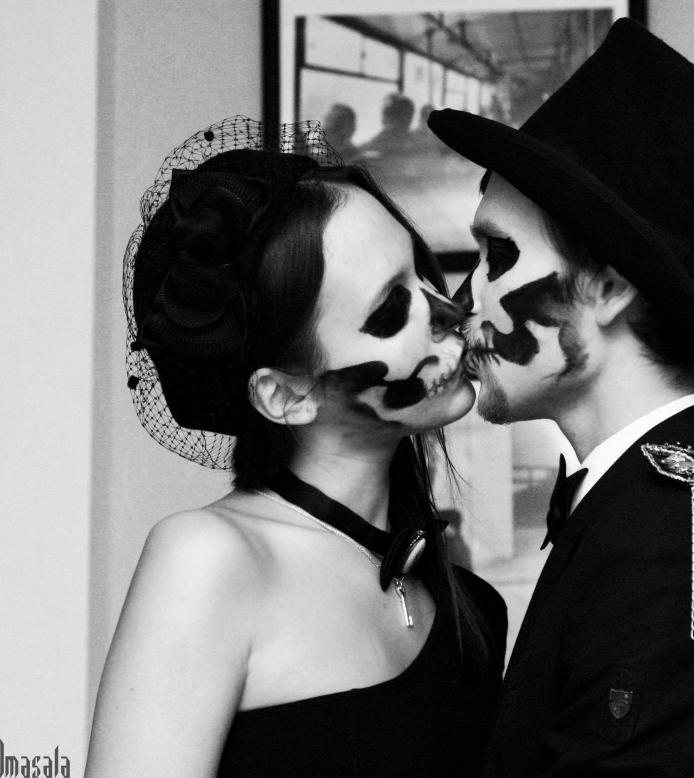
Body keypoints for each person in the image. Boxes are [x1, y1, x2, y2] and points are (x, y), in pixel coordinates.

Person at [429, 19, 694, 776]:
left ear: (607, 286)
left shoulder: (669, 544)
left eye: (498, 254)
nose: (466, 300)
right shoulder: (648, 516)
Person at [86, 117, 506, 777]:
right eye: (390, 309)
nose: (447, 312)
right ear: (285, 396)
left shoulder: (468, 607)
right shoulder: (209, 560)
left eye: (422, 275)